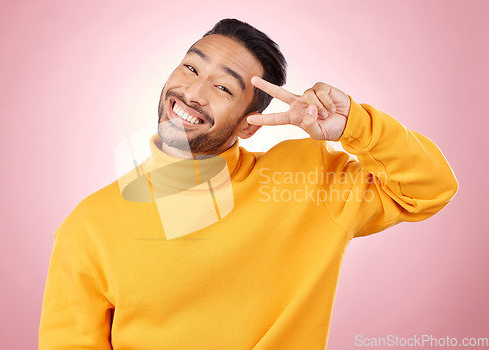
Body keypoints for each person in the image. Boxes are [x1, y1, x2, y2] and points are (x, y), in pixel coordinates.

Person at [38, 18, 458, 349]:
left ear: (248, 125)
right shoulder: (88, 227)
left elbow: (429, 189)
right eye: (190, 66)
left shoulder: (305, 179)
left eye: (223, 87)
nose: (193, 92)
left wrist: (357, 126)